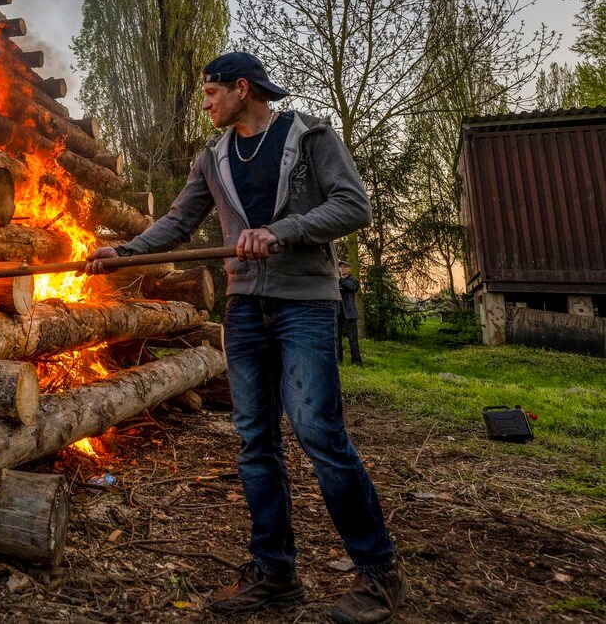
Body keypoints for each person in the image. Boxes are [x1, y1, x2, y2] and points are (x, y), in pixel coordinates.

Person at [86, 52, 404, 623]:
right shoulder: (212, 156)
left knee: (318, 434)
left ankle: (378, 573)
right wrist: (125, 252)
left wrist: (280, 233)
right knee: (255, 440)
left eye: (211, 92)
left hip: (305, 304)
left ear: (241, 88)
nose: (204, 102)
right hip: (245, 309)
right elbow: (180, 221)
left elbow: (353, 205)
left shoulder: (309, 136)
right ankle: (275, 573)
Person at [338, 260, 364, 366]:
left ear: (349, 269)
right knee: (336, 338)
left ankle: (357, 362)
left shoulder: (354, 280)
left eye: (344, 267)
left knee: (353, 338)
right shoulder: (334, 280)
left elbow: (351, 287)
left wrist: (340, 279)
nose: (342, 268)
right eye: (340, 267)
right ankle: (338, 360)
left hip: (350, 313)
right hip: (337, 313)